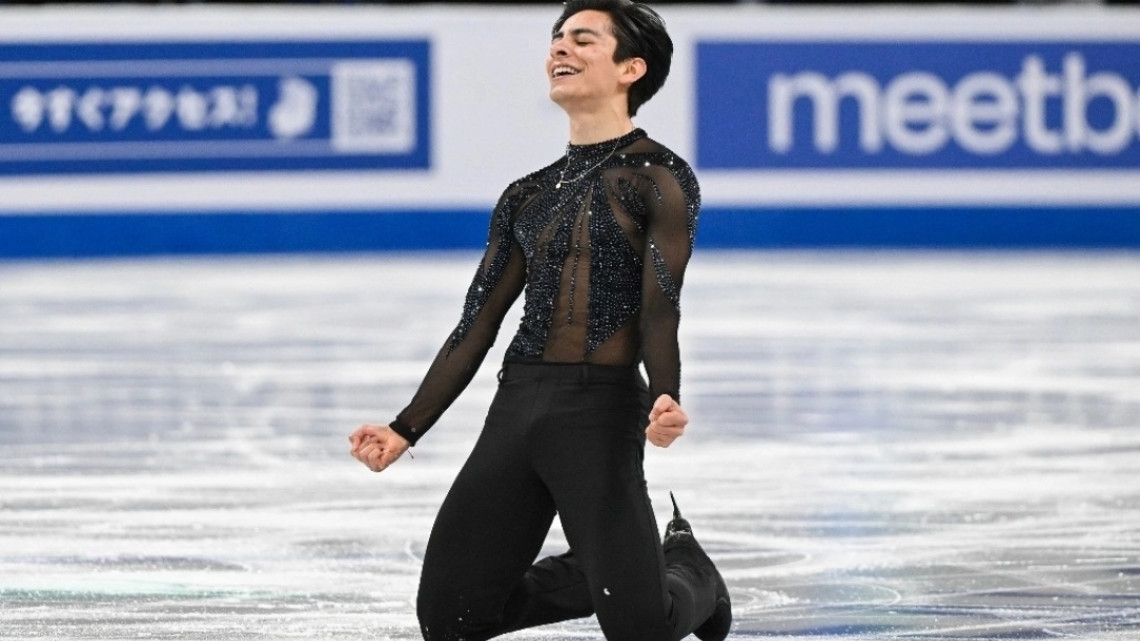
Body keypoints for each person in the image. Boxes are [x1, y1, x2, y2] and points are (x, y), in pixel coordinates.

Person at [348, 1, 731, 639]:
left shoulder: (659, 178)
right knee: (452, 619)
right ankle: (632, 567)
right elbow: (477, 322)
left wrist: (666, 396)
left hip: (600, 411)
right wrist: (405, 427)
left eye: (583, 39)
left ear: (630, 68)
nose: (561, 48)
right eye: (557, 38)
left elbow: (661, 307)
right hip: (518, 404)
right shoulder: (526, 193)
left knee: (640, 629)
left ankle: (687, 573)